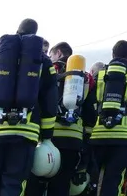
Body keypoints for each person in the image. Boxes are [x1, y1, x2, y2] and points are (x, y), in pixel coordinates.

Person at [0, 19, 58, 196]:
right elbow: (50, 101)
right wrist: (47, 136)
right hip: (26, 132)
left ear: (17, 31)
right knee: (13, 184)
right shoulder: (43, 62)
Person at [26, 42, 96, 196]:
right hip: (72, 141)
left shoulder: (46, 70)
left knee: (34, 183)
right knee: (61, 186)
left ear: (57, 53)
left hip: (45, 137)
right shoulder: (85, 78)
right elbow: (91, 113)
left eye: (50, 54)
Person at [90, 40, 127, 196]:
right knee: (113, 182)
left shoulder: (100, 74)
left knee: (93, 180)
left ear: (112, 54)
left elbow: (91, 103)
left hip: (98, 135)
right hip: (123, 138)